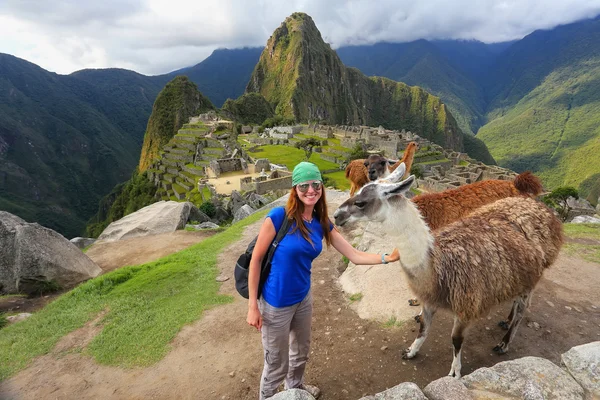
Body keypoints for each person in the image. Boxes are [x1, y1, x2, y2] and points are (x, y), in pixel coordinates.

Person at [246, 161, 400, 399]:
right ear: (295, 189)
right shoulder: (278, 218)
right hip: (275, 304)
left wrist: (387, 257)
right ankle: (268, 397)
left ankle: (295, 389)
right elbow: (256, 261)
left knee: (301, 351)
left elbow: (354, 255)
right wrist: (252, 307)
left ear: (321, 187)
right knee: (276, 361)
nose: (311, 190)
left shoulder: (321, 222)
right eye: (304, 185)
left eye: (315, 184)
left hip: (303, 299)